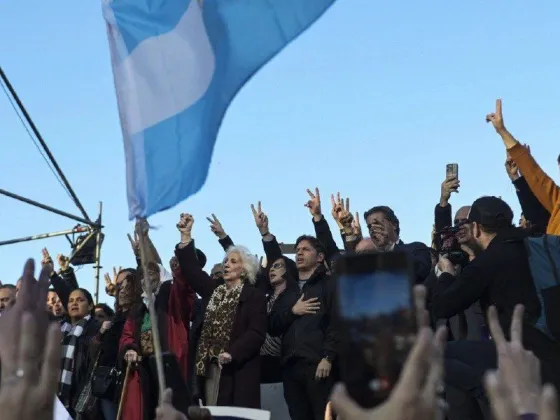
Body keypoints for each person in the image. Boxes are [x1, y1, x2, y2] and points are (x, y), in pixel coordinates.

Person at [431, 196, 560, 419]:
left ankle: (489, 393)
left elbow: (442, 306)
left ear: (476, 228)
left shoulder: (488, 261)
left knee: (434, 356)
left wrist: (445, 276)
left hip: (527, 361)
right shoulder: (535, 241)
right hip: (551, 349)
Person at [174, 213, 267, 408]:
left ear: (244, 270)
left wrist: (232, 353)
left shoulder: (254, 296)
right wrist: (186, 236)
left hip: (237, 368)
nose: (226, 264)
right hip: (209, 367)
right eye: (226, 260)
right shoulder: (214, 290)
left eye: (233, 262)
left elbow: (256, 332)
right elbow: (192, 271)